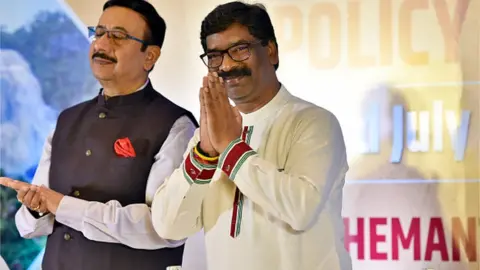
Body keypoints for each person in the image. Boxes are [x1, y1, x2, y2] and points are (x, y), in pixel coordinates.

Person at [150, 2, 352, 270]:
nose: (227, 65)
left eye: (240, 50)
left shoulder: (312, 121)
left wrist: (231, 150)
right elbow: (169, 225)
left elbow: (300, 210)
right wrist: (204, 155)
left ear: (271, 51)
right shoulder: (208, 136)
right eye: (214, 56)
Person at [0, 0, 200, 269]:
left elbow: (162, 228)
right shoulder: (66, 120)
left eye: (118, 36)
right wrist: (36, 207)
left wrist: (64, 206)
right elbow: (28, 226)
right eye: (99, 32)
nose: (102, 44)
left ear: (149, 56)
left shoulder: (175, 125)